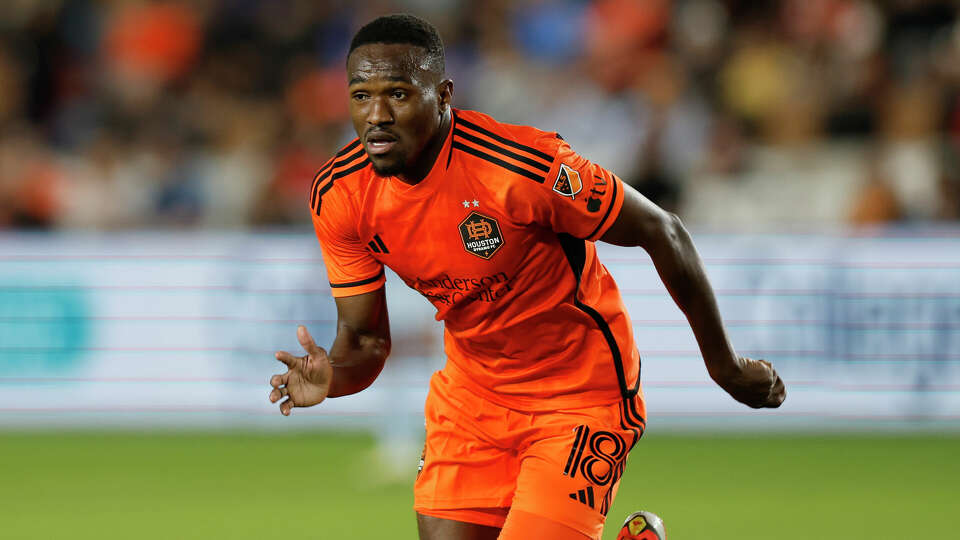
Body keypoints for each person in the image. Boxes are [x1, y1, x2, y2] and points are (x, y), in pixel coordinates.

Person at [268, 14, 785, 540]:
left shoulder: (520, 166)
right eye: (361, 96)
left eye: (398, 95)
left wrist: (724, 365)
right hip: (472, 398)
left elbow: (664, 230)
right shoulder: (341, 194)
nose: (376, 115)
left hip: (580, 395)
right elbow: (365, 341)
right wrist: (333, 376)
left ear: (443, 94)